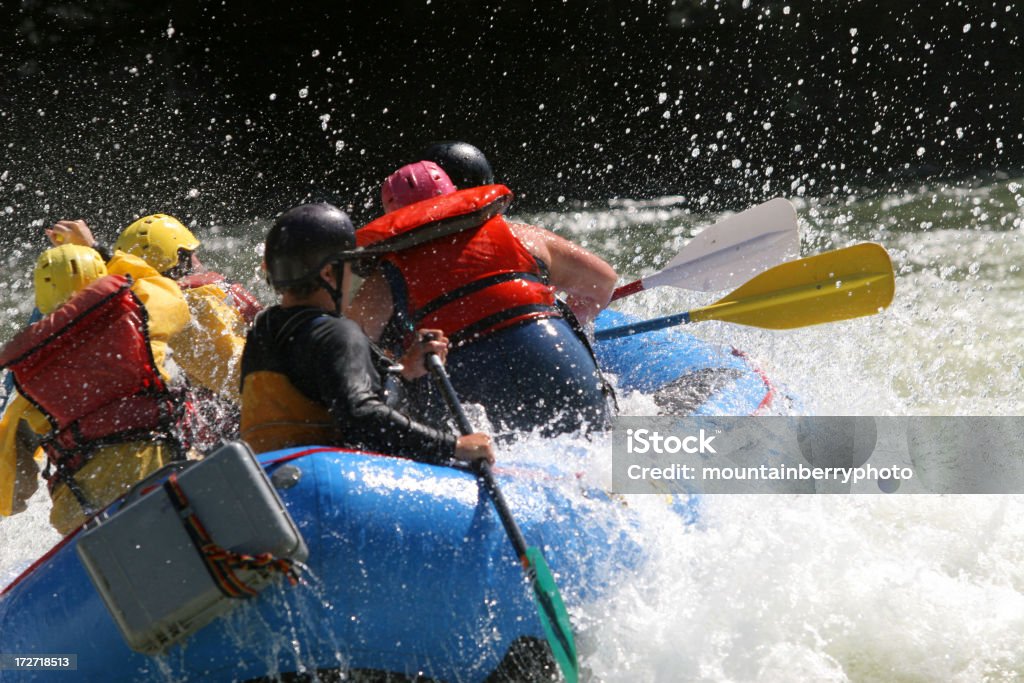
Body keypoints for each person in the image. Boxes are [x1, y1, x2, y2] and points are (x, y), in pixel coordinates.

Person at [349, 153, 618, 437]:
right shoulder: (521, 236)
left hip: (472, 402)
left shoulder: (385, 277)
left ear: (393, 217)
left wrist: (400, 365)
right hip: (565, 372)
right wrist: (570, 322)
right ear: (454, 194)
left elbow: (352, 355)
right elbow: (603, 283)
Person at [239, 202, 494, 467]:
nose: (351, 276)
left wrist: (404, 372)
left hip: (265, 476)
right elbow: (362, 417)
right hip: (319, 481)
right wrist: (453, 446)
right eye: (348, 266)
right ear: (328, 272)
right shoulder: (337, 332)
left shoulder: (263, 330)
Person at [0, 245, 192, 534]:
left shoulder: (27, 377)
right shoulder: (141, 312)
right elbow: (169, 292)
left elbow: (9, 486)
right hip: (161, 468)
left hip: (83, 508)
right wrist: (101, 251)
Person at [45, 214, 261, 449]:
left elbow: (141, 296)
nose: (198, 261)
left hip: (252, 430)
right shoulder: (210, 294)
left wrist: (96, 251)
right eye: (192, 254)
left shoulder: (192, 308)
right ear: (181, 257)